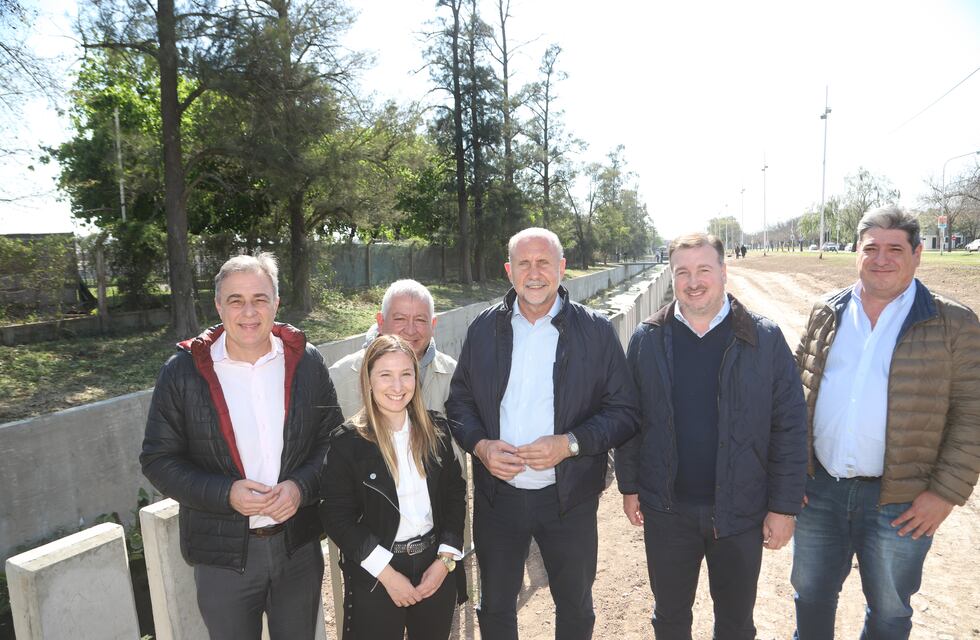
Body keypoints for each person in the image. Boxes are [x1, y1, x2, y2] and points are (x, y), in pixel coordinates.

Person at [791, 206, 980, 640]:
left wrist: (945, 493)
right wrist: (790, 472)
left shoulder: (954, 323)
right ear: (856, 252)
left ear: (917, 254)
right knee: (811, 596)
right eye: (871, 248)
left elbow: (972, 414)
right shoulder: (827, 311)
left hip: (902, 501)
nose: (882, 259)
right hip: (819, 491)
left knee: (891, 611)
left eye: (895, 248)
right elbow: (796, 394)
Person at [447, 227, 639, 640]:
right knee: (496, 605)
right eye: (524, 263)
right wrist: (480, 447)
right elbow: (458, 403)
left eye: (544, 263)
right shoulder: (483, 328)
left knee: (574, 605)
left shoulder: (597, 332)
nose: (534, 273)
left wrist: (570, 444)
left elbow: (625, 412)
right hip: (498, 498)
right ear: (509, 270)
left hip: (567, 499)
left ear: (562, 269)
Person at [140, 253, 343, 640]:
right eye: (236, 300)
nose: (248, 311)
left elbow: (333, 441)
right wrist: (225, 494)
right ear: (218, 305)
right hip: (223, 558)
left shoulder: (306, 362)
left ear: (276, 303)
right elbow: (157, 460)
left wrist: (300, 487)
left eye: (260, 299)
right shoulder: (182, 372)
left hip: (296, 548)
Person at [616, 232, 808, 640]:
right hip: (668, 512)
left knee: (736, 624)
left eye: (704, 269)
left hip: (740, 511)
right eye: (682, 272)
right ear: (671, 277)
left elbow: (790, 425)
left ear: (723, 271)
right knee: (669, 618)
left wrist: (784, 506)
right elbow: (631, 421)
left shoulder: (764, 338)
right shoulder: (647, 340)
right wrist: (630, 486)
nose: (693, 281)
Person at [320, 334, 466, 640]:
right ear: (368, 381)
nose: (397, 387)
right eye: (385, 375)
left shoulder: (436, 429)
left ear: (416, 377)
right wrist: (387, 574)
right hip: (377, 569)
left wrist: (445, 560)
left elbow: (455, 494)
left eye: (406, 374)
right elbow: (336, 516)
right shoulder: (348, 443)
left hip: (433, 564)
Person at [330, 279, 455, 419]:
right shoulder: (338, 378)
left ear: (433, 325)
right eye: (400, 319)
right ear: (381, 322)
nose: (410, 330)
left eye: (420, 320)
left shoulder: (454, 377)